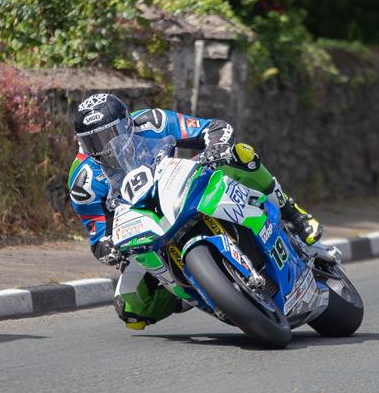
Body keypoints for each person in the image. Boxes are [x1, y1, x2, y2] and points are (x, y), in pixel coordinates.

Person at [68, 93, 321, 329]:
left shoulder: (152, 122)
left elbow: (212, 127)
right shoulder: (84, 181)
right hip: (143, 223)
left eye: (110, 135)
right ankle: (199, 292)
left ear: (127, 124)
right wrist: (108, 249)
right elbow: (98, 236)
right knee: (131, 308)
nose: (104, 147)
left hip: (180, 185)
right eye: (93, 141)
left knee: (239, 154)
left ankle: (293, 213)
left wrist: (216, 145)